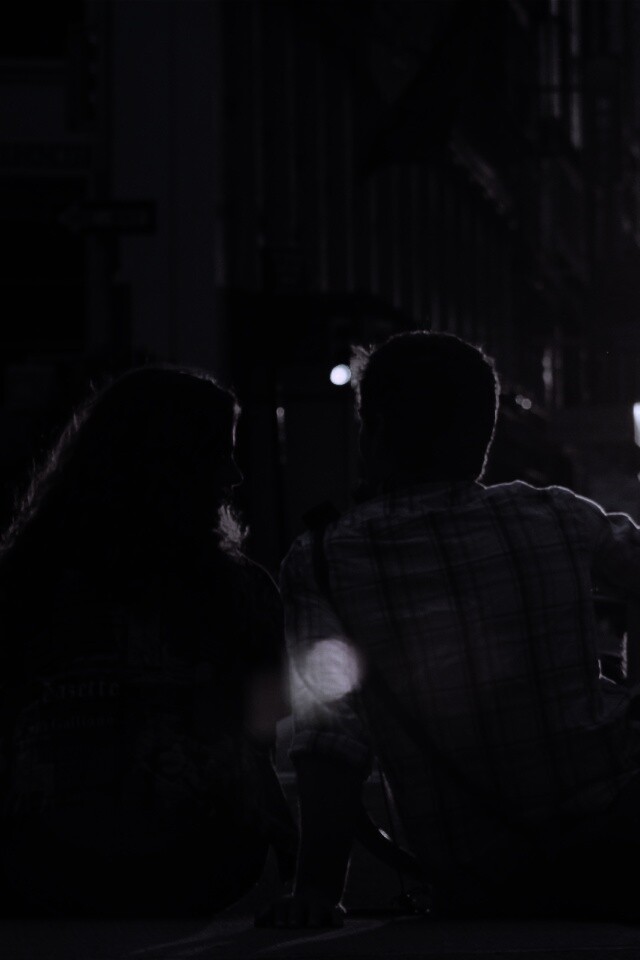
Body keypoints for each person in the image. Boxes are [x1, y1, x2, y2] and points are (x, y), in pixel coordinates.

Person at [263, 330, 640, 927]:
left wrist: (316, 889)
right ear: (484, 437)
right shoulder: (559, 515)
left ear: (374, 431)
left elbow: (330, 738)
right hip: (620, 837)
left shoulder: (323, 561)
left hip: (481, 878)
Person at [0, 365, 297, 917]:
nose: (235, 476)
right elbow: (261, 734)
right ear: (177, 466)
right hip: (201, 864)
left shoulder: (24, 580)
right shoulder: (240, 590)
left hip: (37, 863)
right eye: (220, 454)